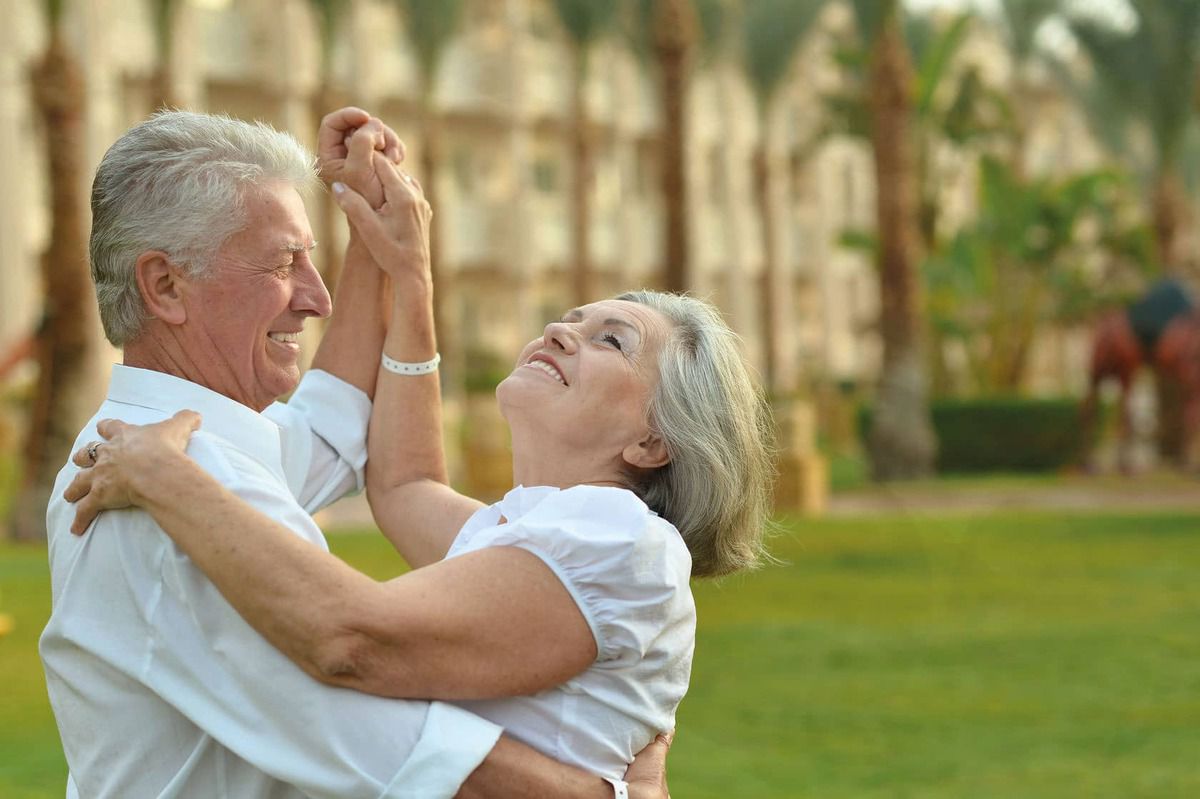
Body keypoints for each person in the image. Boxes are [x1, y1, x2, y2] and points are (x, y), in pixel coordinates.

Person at [64, 117, 776, 783]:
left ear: (656, 440)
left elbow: (355, 587)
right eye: (286, 262)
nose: (317, 299)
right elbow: (396, 495)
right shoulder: (176, 471)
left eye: (610, 340)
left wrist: (168, 476)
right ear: (164, 285)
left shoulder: (163, 462)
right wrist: (403, 271)